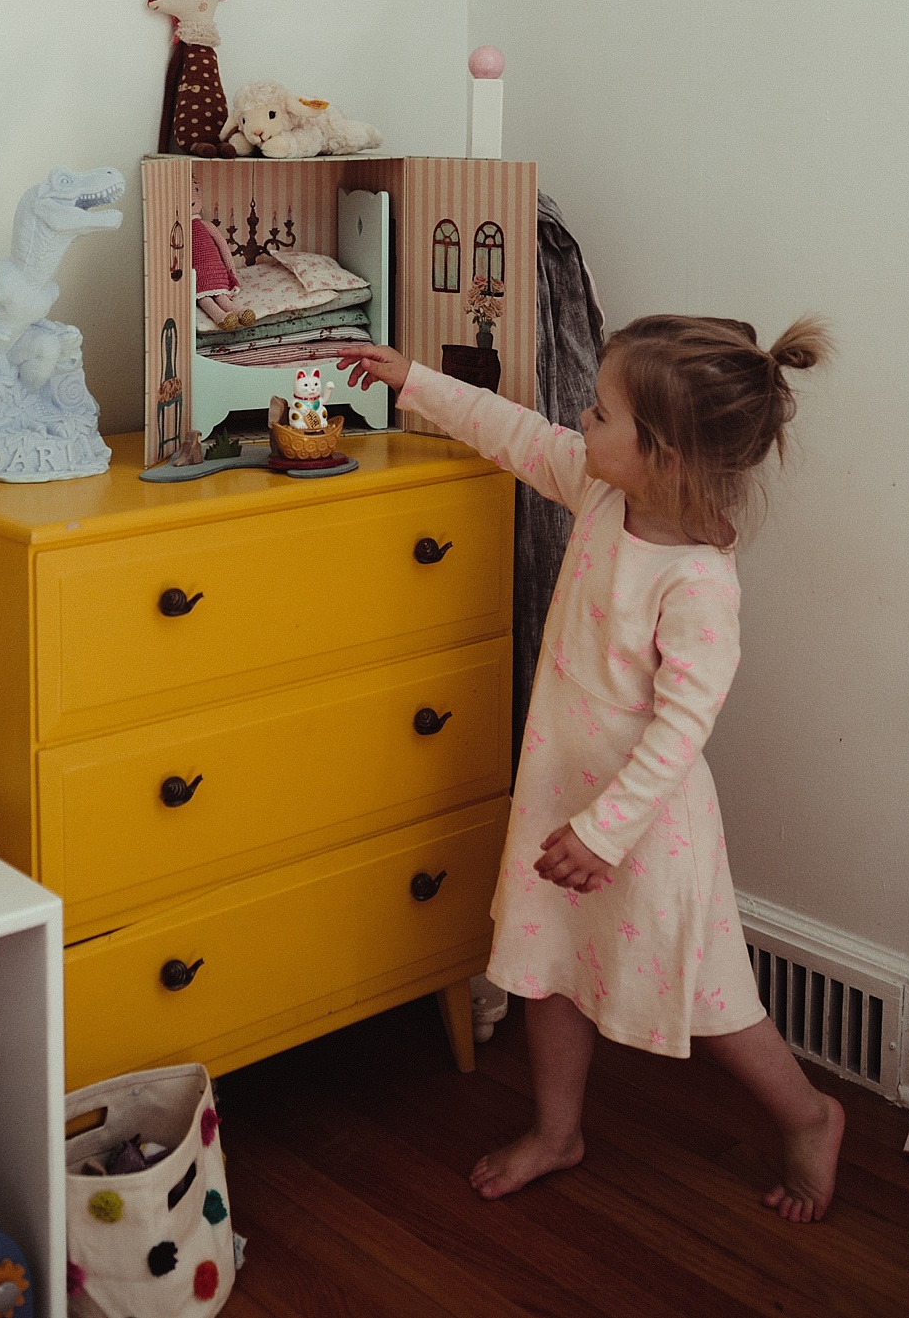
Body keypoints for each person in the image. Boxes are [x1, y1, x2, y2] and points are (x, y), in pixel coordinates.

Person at [337, 317, 844, 1223]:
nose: (582, 416)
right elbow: (519, 433)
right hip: (557, 793)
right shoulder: (603, 490)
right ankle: (557, 1128)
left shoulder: (696, 583)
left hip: (644, 825)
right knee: (544, 960)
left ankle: (809, 1114)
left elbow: (682, 729)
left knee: (716, 995)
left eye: (602, 410)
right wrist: (414, 380)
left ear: (663, 454)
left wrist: (607, 832)